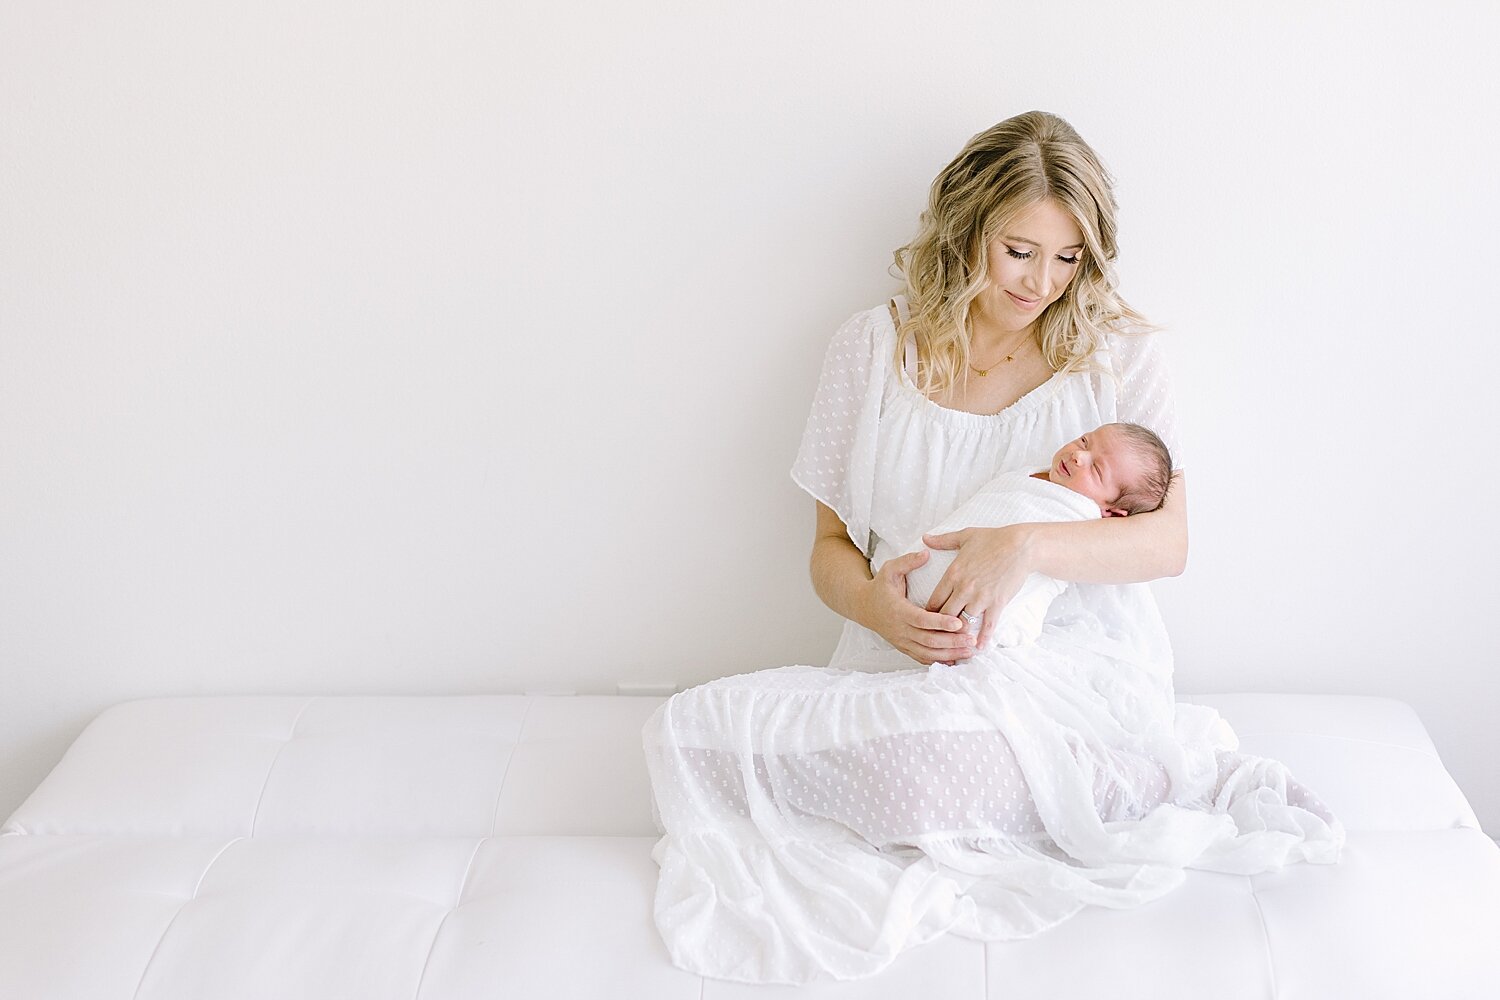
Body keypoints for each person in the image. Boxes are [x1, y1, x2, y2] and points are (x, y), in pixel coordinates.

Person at [642, 111, 1344, 986]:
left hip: (1054, 687)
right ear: (965, 228)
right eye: (1019, 251)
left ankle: (1112, 779)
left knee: (920, 779)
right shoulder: (869, 348)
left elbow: (1168, 543)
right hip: (897, 676)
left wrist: (1023, 547)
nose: (1043, 282)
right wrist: (873, 608)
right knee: (686, 733)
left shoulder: (1114, 360)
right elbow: (829, 546)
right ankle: (962, 793)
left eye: (1069, 258)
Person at [903, 421, 1174, 653]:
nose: (1079, 456)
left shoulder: (1080, 520)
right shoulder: (1031, 472)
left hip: (977, 627)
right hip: (916, 576)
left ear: (1112, 514)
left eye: (1097, 470)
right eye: (1084, 441)